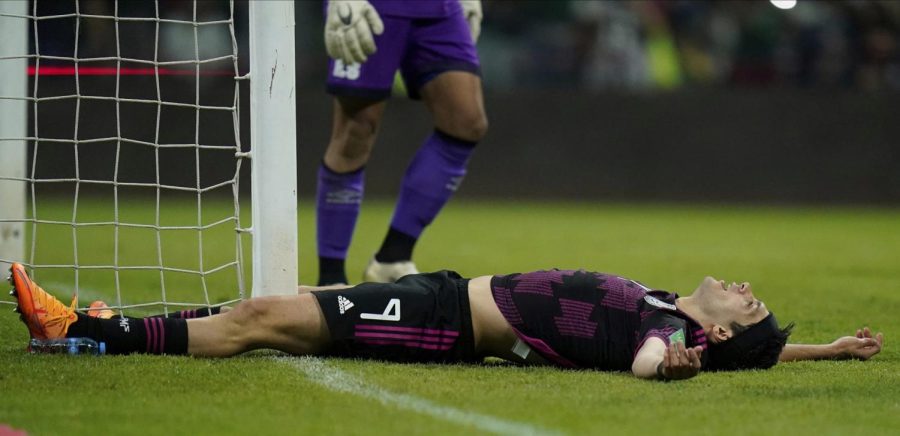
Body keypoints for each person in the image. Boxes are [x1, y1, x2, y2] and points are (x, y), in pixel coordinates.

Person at [7, 263, 883, 380]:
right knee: (263, 315)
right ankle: (100, 325)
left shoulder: (673, 334)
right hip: (444, 294)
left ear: (717, 333)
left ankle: (79, 332)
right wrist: (828, 349)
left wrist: (678, 367)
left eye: (746, 301)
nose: (739, 285)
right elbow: (751, 354)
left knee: (264, 318)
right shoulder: (667, 305)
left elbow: (656, 363)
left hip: (440, 322)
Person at [317, 0, 488, 285]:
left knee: (466, 123)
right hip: (372, 6)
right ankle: (330, 277)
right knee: (355, 131)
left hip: (440, 9)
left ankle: (392, 257)